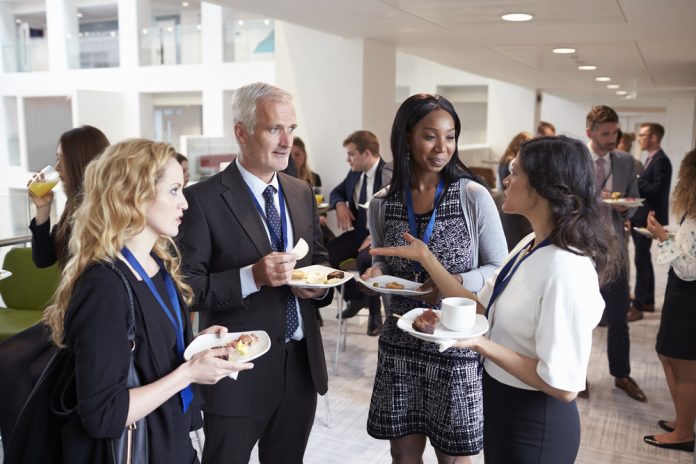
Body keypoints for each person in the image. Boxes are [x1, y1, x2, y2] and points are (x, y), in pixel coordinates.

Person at [372, 135, 621, 463]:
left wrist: (478, 343)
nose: (506, 179)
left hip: (535, 421)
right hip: (503, 404)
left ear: (544, 186)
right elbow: (481, 307)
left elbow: (563, 384)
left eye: (516, 173)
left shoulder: (566, 267)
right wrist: (427, 258)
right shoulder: (531, 244)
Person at [41, 139, 251, 463]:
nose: (185, 203)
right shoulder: (104, 286)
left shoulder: (158, 264)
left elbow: (151, 353)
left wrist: (198, 345)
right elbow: (102, 415)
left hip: (172, 441)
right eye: (173, 190)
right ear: (133, 195)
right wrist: (189, 374)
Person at [177, 82, 331, 464]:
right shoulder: (201, 200)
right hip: (237, 375)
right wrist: (251, 277)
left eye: (291, 129)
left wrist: (317, 287)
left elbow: (321, 260)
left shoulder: (299, 192)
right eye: (273, 129)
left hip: (300, 369)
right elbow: (186, 289)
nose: (286, 142)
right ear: (241, 132)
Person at [363, 94, 507, 462]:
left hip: (454, 344)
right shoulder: (382, 202)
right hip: (400, 341)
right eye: (430, 136)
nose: (442, 148)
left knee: (455, 456)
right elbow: (384, 262)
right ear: (407, 137)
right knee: (403, 453)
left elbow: (497, 269)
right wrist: (376, 275)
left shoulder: (471, 196)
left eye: (451, 136)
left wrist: (452, 279)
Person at [580, 105, 646, 401]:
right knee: (579, 317)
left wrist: (625, 206)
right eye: (605, 133)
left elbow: (634, 201)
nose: (611, 138)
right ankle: (577, 375)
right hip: (580, 248)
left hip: (615, 248)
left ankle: (621, 374)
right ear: (590, 133)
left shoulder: (626, 161)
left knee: (619, 314)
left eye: (614, 132)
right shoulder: (576, 159)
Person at [642, 149, 696, 453]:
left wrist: (663, 238)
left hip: (689, 296)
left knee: (685, 364)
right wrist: (668, 236)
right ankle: (683, 420)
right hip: (683, 294)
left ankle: (685, 432)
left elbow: (689, 269)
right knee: (667, 354)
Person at [328, 130, 392, 336]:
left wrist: (375, 235)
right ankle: (356, 297)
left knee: (367, 260)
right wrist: (339, 204)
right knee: (327, 255)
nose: (348, 159)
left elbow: (398, 212)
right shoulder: (355, 173)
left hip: (380, 239)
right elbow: (336, 192)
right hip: (358, 235)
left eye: (351, 154)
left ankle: (375, 315)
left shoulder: (390, 173)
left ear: (366, 153)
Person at [29, 125, 109, 268]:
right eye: (57, 158)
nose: (57, 167)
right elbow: (43, 259)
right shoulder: (74, 204)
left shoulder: (109, 208)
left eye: (63, 159)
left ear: (80, 162)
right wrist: (43, 208)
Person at [630, 123, 673, 319]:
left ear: (654, 138)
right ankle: (647, 300)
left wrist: (637, 180)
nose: (639, 138)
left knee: (641, 259)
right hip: (642, 216)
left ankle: (638, 305)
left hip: (649, 218)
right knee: (643, 258)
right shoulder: (651, 159)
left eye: (643, 135)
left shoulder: (661, 161)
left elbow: (657, 190)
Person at [497, 131, 533, 250]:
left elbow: (499, 186)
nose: (506, 180)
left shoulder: (504, 160)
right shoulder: (514, 161)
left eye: (514, 173)